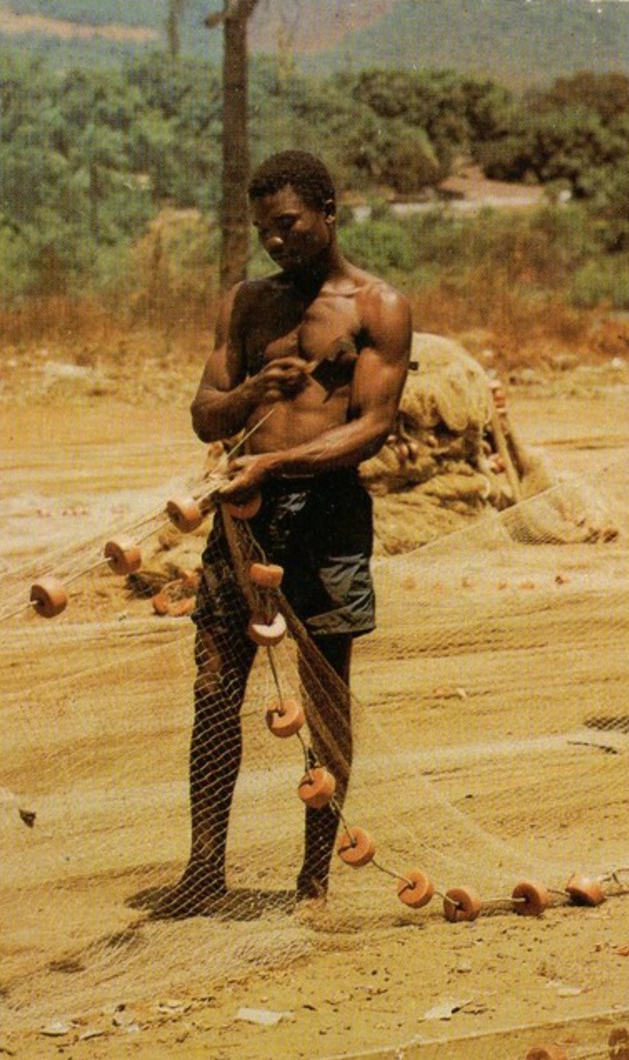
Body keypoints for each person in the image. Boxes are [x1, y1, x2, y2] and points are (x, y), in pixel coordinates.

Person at [171, 150, 412, 914]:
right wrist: (249, 393)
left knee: (326, 694)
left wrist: (275, 465)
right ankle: (204, 872)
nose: (275, 243)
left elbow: (372, 427)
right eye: (263, 231)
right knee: (215, 693)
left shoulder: (378, 307)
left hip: (326, 517)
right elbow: (204, 414)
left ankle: (315, 880)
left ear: (328, 213)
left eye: (288, 226)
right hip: (242, 521)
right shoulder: (246, 304)